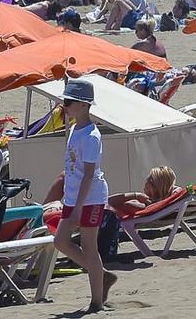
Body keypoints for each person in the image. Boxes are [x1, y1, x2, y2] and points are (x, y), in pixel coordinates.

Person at [47, 80, 113, 312]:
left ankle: (96, 302)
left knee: (89, 246)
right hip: (75, 197)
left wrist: (77, 206)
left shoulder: (92, 136)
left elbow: (88, 175)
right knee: (60, 241)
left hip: (91, 197)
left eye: (69, 102)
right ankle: (101, 275)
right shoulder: (76, 129)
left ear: (84, 105)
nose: (65, 106)